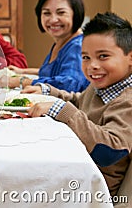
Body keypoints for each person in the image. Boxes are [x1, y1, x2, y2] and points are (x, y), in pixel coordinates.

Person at [24, 12, 132, 197]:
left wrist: (64, 111)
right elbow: (79, 100)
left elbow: (110, 151)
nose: (92, 66)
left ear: (130, 58)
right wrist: (51, 92)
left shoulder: (127, 101)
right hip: (75, 168)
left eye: (103, 56)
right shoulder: (102, 86)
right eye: (86, 57)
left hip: (93, 191)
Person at [0, 0, 90, 92]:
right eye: (47, 13)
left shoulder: (78, 46)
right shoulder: (62, 42)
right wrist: (22, 71)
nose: (53, 20)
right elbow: (54, 73)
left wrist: (20, 81)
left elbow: (69, 84)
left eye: (61, 13)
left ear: (75, 14)